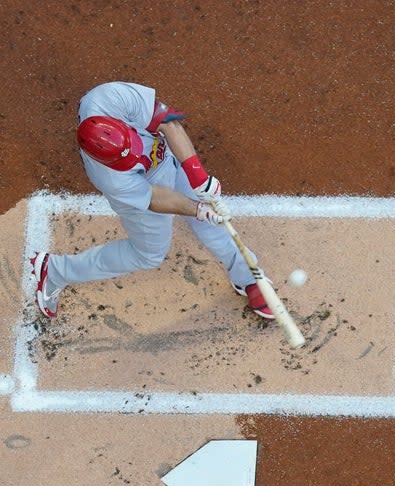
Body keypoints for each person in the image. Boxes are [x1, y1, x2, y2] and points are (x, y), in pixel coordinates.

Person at [29, 81, 278, 320]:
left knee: (212, 220)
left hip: (166, 159)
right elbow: (156, 197)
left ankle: (247, 278)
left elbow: (168, 123)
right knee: (147, 255)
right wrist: (198, 209)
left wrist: (198, 176)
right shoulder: (113, 179)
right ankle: (55, 271)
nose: (138, 152)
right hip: (147, 190)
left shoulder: (111, 97)